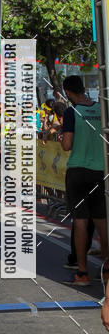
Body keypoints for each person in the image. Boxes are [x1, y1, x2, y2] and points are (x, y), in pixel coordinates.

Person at [61, 75, 108, 287]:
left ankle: (82, 272)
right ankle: (107, 270)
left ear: (69, 93)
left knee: (80, 221)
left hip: (78, 171)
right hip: (101, 171)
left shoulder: (72, 112)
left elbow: (67, 144)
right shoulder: (101, 109)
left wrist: (62, 136)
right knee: (102, 220)